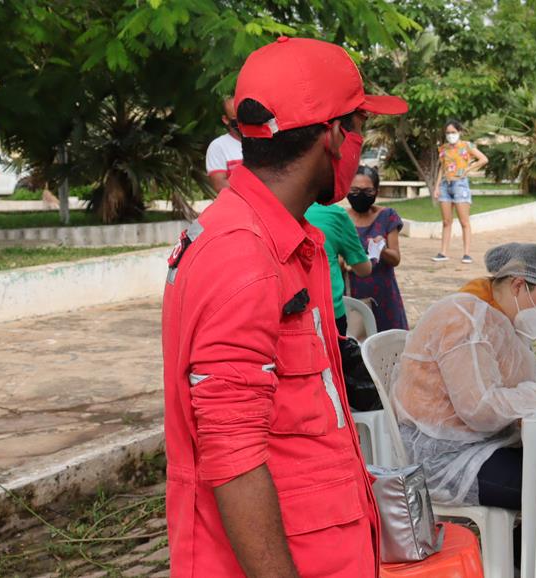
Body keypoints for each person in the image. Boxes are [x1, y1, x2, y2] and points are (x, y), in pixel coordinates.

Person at [162, 37, 408, 577]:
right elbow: (231, 455)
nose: (358, 145)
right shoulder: (244, 256)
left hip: (321, 544)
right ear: (334, 136)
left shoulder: (285, 242)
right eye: (357, 128)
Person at [393, 243, 536, 578]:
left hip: (483, 441)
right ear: (519, 284)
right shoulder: (464, 320)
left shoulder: (496, 314)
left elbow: (510, 377)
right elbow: (480, 407)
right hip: (448, 456)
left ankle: (523, 556)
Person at [346, 165, 408, 330]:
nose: (360, 195)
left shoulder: (387, 216)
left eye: (368, 191)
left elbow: (396, 258)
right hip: (352, 295)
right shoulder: (341, 219)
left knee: (388, 347)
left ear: (376, 192)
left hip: (384, 295)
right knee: (356, 343)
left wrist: (382, 248)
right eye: (355, 190)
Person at [304, 201, 373, 337]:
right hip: (328, 315)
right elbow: (364, 269)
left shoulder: (265, 209)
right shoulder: (334, 214)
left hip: (280, 313)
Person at [432, 119, 488, 264]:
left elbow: (483, 159)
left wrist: (467, 170)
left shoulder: (466, 146)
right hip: (445, 185)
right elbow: (441, 168)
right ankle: (443, 252)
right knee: (446, 221)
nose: (450, 135)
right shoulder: (443, 149)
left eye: (453, 132)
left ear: (459, 132)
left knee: (464, 221)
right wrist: (437, 187)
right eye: (448, 132)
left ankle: (467, 253)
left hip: (460, 185)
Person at [205, 97, 244, 192]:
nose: (242, 121)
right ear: (226, 120)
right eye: (235, 118)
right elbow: (220, 185)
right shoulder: (218, 146)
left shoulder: (263, 141)